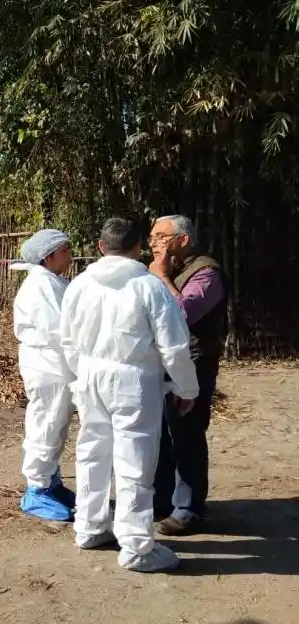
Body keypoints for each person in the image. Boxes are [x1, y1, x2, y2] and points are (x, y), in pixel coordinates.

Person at [60, 217, 199, 573]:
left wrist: (82, 372)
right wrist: (187, 388)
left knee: (93, 452)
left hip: (90, 375)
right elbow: (174, 346)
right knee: (135, 460)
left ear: (101, 247)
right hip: (134, 379)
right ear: (138, 248)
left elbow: (66, 339)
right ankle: (136, 546)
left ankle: (90, 526)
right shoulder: (148, 286)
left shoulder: (79, 284)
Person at [148, 214, 228, 535]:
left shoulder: (206, 273)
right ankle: (163, 500)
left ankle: (189, 507)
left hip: (194, 364)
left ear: (183, 241)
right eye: (151, 237)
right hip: (162, 363)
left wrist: (163, 279)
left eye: (161, 237)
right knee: (162, 434)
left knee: (187, 433)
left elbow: (182, 315)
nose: (154, 243)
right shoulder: (162, 269)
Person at [10, 229, 77, 521]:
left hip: (54, 363)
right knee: (46, 424)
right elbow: (61, 330)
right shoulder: (42, 286)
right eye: (64, 251)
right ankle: (36, 489)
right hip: (47, 363)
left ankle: (50, 482)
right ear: (48, 256)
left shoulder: (50, 281)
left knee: (56, 424)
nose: (69, 256)